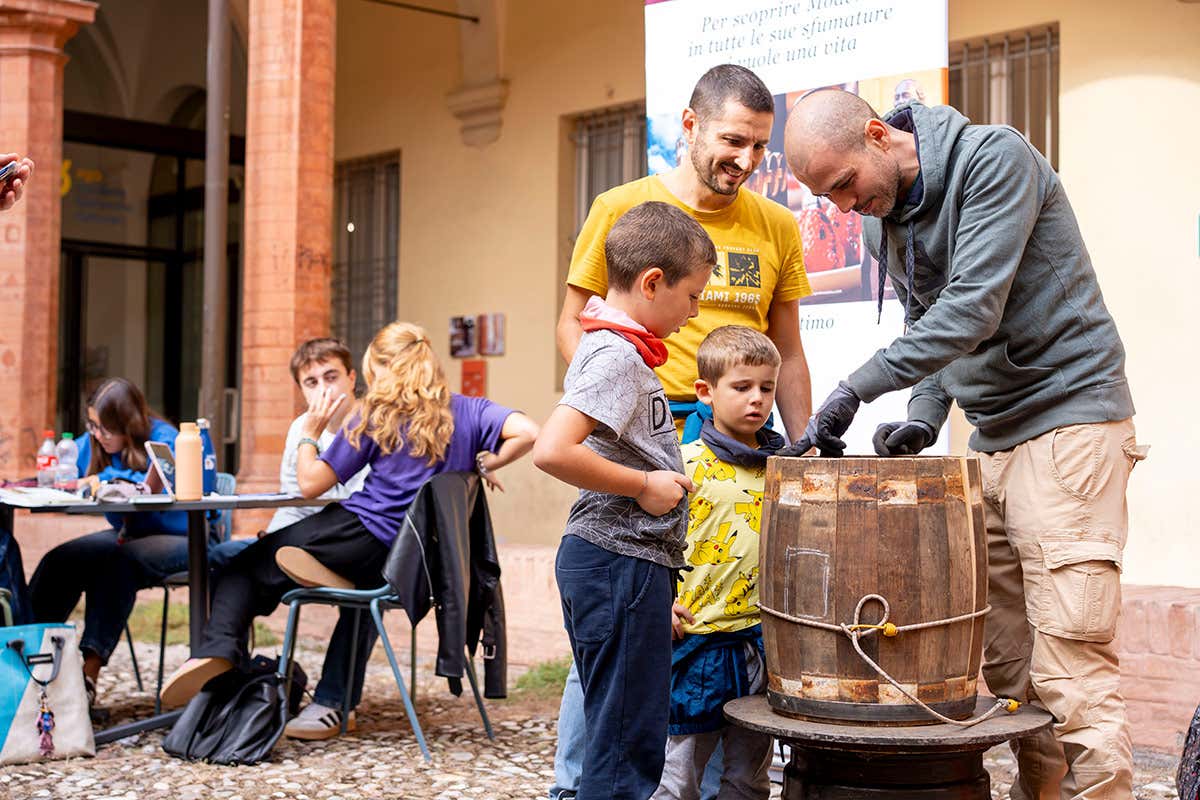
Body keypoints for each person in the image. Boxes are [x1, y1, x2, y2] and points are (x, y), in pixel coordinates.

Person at [783, 89, 1143, 799]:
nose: (846, 207)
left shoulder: (994, 160)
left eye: (845, 185)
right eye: (829, 198)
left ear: (878, 136)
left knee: (1070, 671)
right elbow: (929, 328)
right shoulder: (881, 223)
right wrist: (922, 412)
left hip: (1070, 426)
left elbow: (972, 309)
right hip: (993, 441)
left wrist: (857, 386)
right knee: (1010, 673)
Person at [551, 63, 814, 800]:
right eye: (734, 139)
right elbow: (575, 322)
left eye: (761, 146)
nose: (748, 160)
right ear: (690, 125)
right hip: (650, 433)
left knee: (708, 615)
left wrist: (800, 451)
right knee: (623, 635)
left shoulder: (777, 226)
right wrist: (622, 409)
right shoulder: (622, 206)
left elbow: (787, 350)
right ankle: (578, 787)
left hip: (738, 443)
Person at [158, 322, 540, 715]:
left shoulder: (377, 415)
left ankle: (219, 648)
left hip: (360, 533)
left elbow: (310, 485)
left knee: (244, 566)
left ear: (381, 369)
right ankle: (330, 705)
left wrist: (311, 431)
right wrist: (483, 460)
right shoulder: (469, 410)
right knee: (359, 596)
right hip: (414, 561)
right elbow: (528, 433)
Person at [533, 200, 715, 800]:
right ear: (652, 282)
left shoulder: (613, 346)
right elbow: (552, 449)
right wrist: (644, 485)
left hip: (628, 570)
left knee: (624, 735)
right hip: (617, 562)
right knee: (623, 754)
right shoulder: (617, 355)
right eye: (691, 297)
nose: (693, 315)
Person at [651, 326, 783, 800]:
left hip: (758, 645)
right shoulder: (682, 464)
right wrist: (658, 604)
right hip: (695, 644)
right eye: (742, 387)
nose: (757, 399)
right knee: (677, 773)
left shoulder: (783, 470)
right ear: (704, 392)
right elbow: (647, 543)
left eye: (767, 388)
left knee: (748, 776)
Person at [29, 378, 189, 705]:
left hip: (182, 536)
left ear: (127, 426)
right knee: (61, 559)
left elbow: (171, 484)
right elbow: (69, 471)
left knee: (116, 562)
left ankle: (88, 673)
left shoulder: (165, 440)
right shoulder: (97, 440)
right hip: (129, 534)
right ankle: (24, 654)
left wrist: (101, 480)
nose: (97, 436)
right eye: (92, 426)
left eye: (105, 430)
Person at [268, 337, 369, 535]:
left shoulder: (373, 425)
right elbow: (293, 502)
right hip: (303, 532)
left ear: (351, 378)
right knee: (223, 555)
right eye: (311, 382)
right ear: (302, 391)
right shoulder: (299, 427)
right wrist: (273, 536)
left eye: (331, 377)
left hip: (350, 535)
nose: (323, 389)